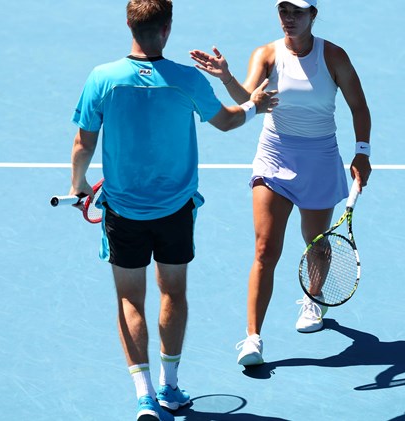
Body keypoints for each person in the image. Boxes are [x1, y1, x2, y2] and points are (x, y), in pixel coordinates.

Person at [68, 1, 278, 419]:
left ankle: (144, 395)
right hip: (175, 213)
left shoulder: (102, 78)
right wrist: (254, 103)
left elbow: (83, 145)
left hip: (124, 212)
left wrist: (78, 187)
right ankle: (170, 386)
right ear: (167, 29)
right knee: (173, 292)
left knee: (130, 298)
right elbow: (229, 122)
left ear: (129, 23)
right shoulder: (186, 80)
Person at [190, 0, 372, 366]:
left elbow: (359, 106)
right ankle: (252, 339)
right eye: (284, 11)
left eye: (298, 12)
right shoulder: (268, 54)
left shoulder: (334, 57)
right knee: (264, 250)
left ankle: (313, 298)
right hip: (274, 157)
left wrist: (362, 153)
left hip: (320, 160)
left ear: (313, 16)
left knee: (316, 245)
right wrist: (227, 78)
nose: (289, 19)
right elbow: (251, 100)